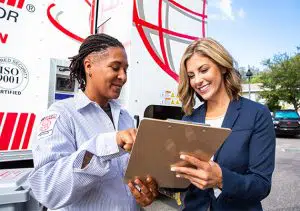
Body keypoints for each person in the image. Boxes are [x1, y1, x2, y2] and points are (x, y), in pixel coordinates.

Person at [28, 33, 158, 210]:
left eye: (125, 69)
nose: (123, 76)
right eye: (115, 67)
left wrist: (143, 192)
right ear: (89, 66)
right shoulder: (61, 115)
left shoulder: (125, 116)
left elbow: (128, 176)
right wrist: (109, 144)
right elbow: (48, 190)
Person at [171, 37, 276, 210]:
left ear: (222, 66)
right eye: (191, 75)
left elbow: (261, 184)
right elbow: (180, 179)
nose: (197, 80)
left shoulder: (257, 114)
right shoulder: (188, 119)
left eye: (203, 70)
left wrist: (221, 179)